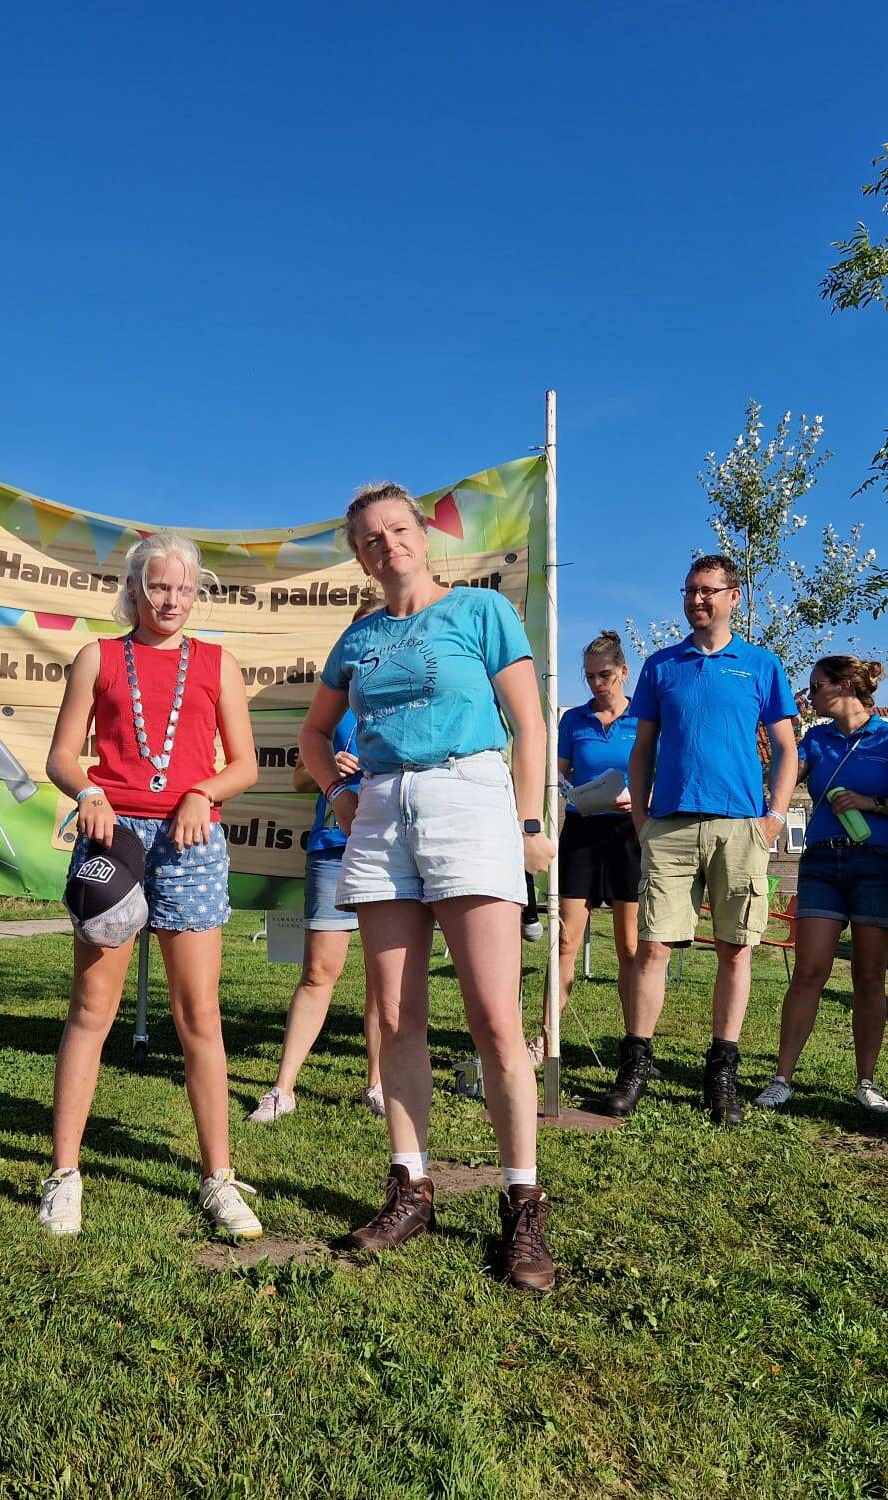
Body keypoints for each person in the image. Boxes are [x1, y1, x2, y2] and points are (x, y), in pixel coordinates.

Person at [299, 482, 558, 1294]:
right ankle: (410, 1186)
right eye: (370, 537)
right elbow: (314, 733)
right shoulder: (359, 635)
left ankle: (522, 1201)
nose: (387, 544)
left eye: (399, 529)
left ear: (423, 535)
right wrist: (343, 798)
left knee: (493, 1015)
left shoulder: (482, 614)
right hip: (381, 810)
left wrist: (524, 825)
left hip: (468, 798)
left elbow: (530, 724)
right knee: (395, 1014)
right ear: (358, 553)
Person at [40, 531, 263, 1240]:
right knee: (90, 1009)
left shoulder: (218, 664)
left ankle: (218, 1178)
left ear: (198, 594)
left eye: (184, 588)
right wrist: (88, 794)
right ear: (135, 587)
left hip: (192, 841)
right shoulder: (98, 657)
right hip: (115, 839)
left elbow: (246, 765)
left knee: (199, 1015)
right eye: (159, 586)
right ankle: (64, 1176)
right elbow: (60, 757)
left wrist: (202, 791)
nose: (171, 600)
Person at [599, 556, 797, 1123]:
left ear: (734, 597)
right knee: (652, 948)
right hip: (671, 825)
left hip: (741, 825)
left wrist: (775, 817)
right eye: (689, 591)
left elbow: (787, 748)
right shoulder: (662, 666)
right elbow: (641, 750)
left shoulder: (761, 665)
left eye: (708, 591)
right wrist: (642, 816)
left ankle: (722, 1073)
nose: (696, 601)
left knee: (736, 951)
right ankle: (634, 1067)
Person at [753, 656, 888, 1114]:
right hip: (821, 863)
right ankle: (782, 1078)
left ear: (846, 686)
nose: (810, 695)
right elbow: (781, 773)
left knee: (869, 977)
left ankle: (866, 1082)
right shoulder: (816, 738)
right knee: (810, 970)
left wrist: (872, 802)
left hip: (878, 863)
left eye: (816, 686)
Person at [249, 597, 387, 1124]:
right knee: (317, 971)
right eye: (358, 637)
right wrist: (334, 771)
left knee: (384, 976)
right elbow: (300, 779)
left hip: (387, 849)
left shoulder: (404, 700)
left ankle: (376, 1082)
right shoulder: (332, 709)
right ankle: (284, 1088)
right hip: (332, 849)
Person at [543, 630, 644, 1065]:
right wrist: (567, 791)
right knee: (565, 940)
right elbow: (558, 776)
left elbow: (660, 776)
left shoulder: (644, 720)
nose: (597, 684)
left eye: (605, 675)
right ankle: (547, 1039)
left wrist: (642, 799)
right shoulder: (573, 721)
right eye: (588, 677)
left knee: (630, 947)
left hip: (630, 834)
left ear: (624, 672)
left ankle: (635, 1045)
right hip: (583, 831)